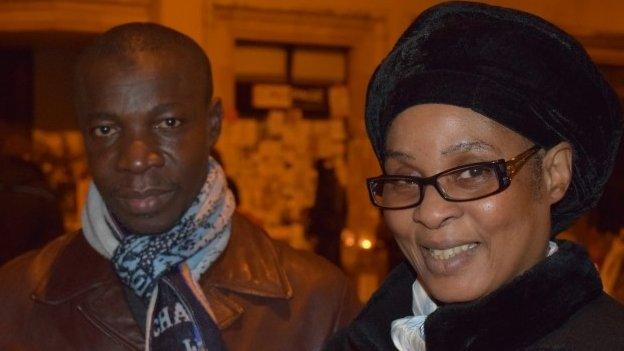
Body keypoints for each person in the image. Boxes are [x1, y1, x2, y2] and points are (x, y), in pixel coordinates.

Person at [0, 23, 359, 351]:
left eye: (168, 123)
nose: (136, 159)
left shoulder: (316, 301)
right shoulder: (15, 298)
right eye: (106, 130)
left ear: (213, 125)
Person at [325, 2, 624, 350]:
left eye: (472, 172)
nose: (430, 213)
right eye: (406, 180)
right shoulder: (362, 337)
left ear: (553, 173)